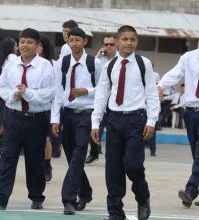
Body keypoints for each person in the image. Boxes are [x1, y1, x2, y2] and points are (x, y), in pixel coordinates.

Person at [0, 28, 57, 210]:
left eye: (29, 42)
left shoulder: (45, 66)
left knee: (34, 160)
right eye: (22, 42)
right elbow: (1, 86)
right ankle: (0, 197)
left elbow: (49, 93)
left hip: (36, 119)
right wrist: (12, 95)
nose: (25, 45)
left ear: (38, 45)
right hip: (13, 117)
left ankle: (37, 195)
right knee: (7, 157)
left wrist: (28, 94)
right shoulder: (11, 64)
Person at [91, 25, 159, 220]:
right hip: (114, 120)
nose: (129, 42)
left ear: (136, 41)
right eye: (125, 39)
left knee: (133, 165)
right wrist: (95, 123)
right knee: (113, 169)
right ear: (118, 41)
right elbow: (101, 96)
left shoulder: (143, 63)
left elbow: (151, 94)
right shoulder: (109, 66)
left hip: (137, 120)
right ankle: (115, 212)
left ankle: (143, 198)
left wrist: (152, 121)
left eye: (133, 39)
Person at [158, 21, 199, 208]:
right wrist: (160, 86)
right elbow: (174, 74)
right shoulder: (188, 57)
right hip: (190, 113)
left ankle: (190, 191)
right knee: (197, 154)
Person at [51, 27, 102, 215]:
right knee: (73, 158)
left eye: (77, 40)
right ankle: (86, 192)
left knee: (80, 153)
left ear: (84, 41)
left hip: (86, 114)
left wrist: (86, 91)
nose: (74, 43)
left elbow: (104, 88)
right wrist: (55, 118)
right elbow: (57, 91)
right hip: (67, 113)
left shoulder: (94, 63)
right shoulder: (61, 63)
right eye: (71, 40)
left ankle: (68, 199)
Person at [86, 35, 118, 164]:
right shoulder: (99, 61)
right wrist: (97, 57)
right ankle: (94, 153)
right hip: (100, 100)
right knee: (95, 128)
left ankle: (113, 157)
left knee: (113, 132)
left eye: (111, 44)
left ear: (116, 45)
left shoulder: (120, 60)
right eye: (106, 44)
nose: (109, 47)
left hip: (115, 102)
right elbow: (90, 75)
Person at [0, 38, 18, 156]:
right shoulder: (13, 59)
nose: (17, 48)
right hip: (6, 93)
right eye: (16, 45)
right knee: (2, 121)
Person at [37, 34, 57, 182]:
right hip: (31, 106)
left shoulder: (52, 64)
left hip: (47, 106)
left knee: (46, 138)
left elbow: (55, 89)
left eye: (38, 45)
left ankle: (47, 165)